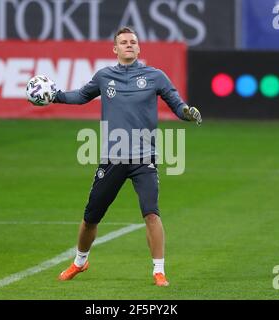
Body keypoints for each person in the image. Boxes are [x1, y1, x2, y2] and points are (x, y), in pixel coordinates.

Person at [47, 27, 202, 286]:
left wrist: (187, 112)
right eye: (123, 42)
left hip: (145, 158)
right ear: (115, 49)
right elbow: (81, 96)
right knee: (91, 217)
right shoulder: (105, 77)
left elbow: (176, 102)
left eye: (133, 42)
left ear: (139, 48)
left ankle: (159, 271)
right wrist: (55, 96)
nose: (129, 45)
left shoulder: (155, 76)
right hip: (113, 158)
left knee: (151, 213)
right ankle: (80, 262)